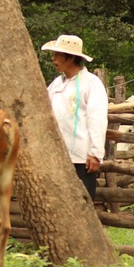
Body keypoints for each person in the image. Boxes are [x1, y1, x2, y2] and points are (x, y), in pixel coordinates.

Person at [42, 34, 108, 201]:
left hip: (81, 157)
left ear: (70, 58)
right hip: (57, 155)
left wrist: (95, 153)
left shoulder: (91, 83)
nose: (53, 59)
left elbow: (97, 118)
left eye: (58, 55)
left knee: (81, 202)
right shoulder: (57, 83)